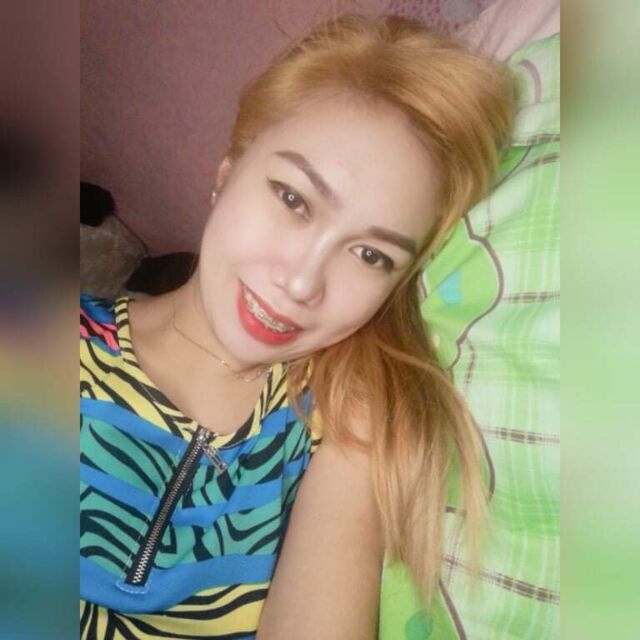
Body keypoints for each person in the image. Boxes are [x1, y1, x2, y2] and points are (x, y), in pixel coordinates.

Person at [80, 13, 514, 640]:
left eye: (370, 255)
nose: (304, 282)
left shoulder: (348, 424)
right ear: (227, 174)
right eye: (293, 199)